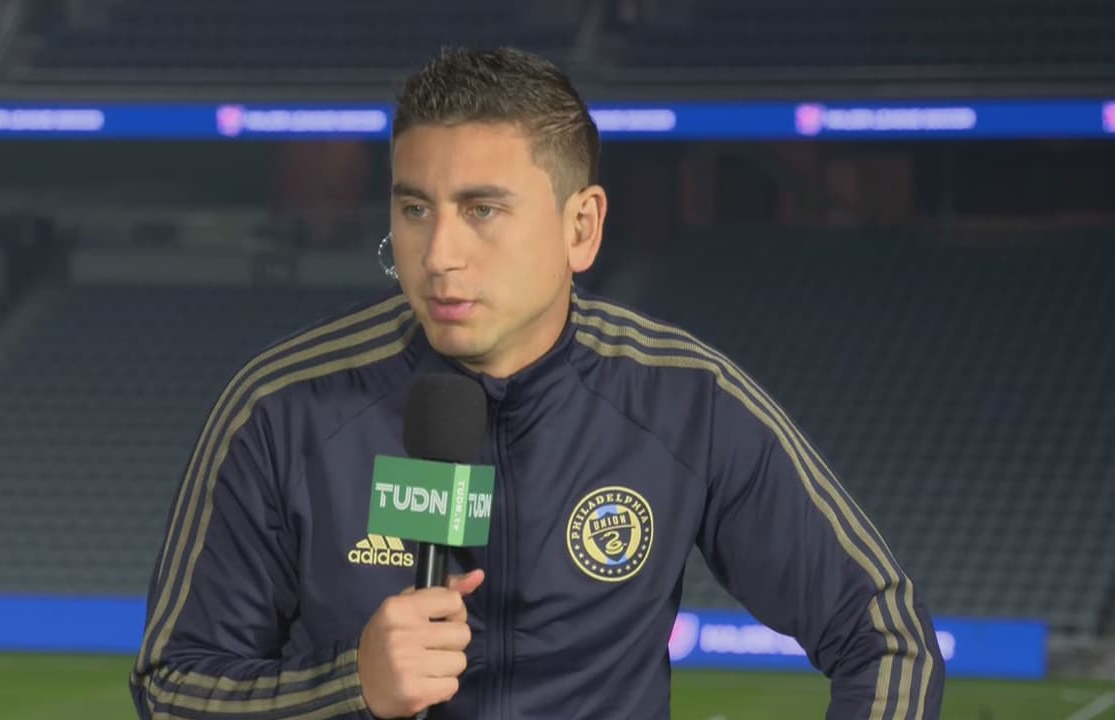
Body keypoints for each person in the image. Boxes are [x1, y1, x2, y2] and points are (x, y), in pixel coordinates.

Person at [129, 46, 945, 719]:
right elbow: (172, 690)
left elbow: (887, 635)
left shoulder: (685, 401)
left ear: (580, 227)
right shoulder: (281, 408)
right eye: (415, 209)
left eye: (482, 209)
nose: (439, 254)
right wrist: (349, 688)